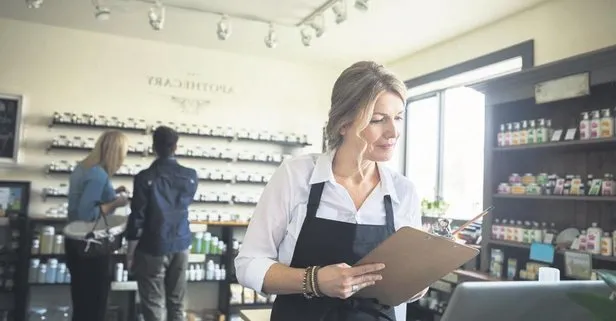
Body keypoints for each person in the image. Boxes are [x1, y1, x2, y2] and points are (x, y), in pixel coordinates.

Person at [235, 61, 427, 321]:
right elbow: (248, 264)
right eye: (378, 119)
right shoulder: (296, 175)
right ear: (343, 123)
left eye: (399, 117)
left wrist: (418, 283)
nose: (393, 132)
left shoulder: (404, 192)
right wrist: (314, 280)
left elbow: (407, 286)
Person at [125, 125, 198, 321]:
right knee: (177, 301)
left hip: (152, 246)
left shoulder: (144, 177)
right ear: (175, 146)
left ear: (154, 147)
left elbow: (137, 217)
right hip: (181, 243)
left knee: (154, 302)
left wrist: (130, 252)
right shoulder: (190, 176)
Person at [65, 130, 130, 321]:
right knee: (95, 305)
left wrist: (112, 192)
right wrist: (116, 204)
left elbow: (86, 198)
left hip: (75, 242)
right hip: (90, 246)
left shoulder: (83, 168)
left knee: (81, 302)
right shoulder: (98, 175)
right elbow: (87, 214)